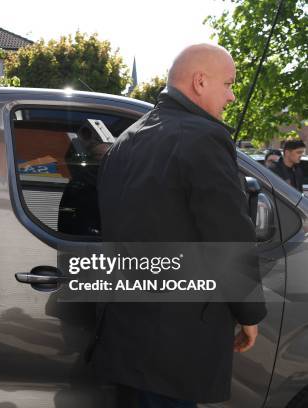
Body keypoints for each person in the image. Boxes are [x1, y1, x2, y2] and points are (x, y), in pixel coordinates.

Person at [95, 44, 266, 407]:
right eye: (229, 83)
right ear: (200, 81)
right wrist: (248, 313)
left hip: (128, 339)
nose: (232, 95)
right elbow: (229, 238)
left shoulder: (128, 138)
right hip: (175, 347)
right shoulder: (204, 137)